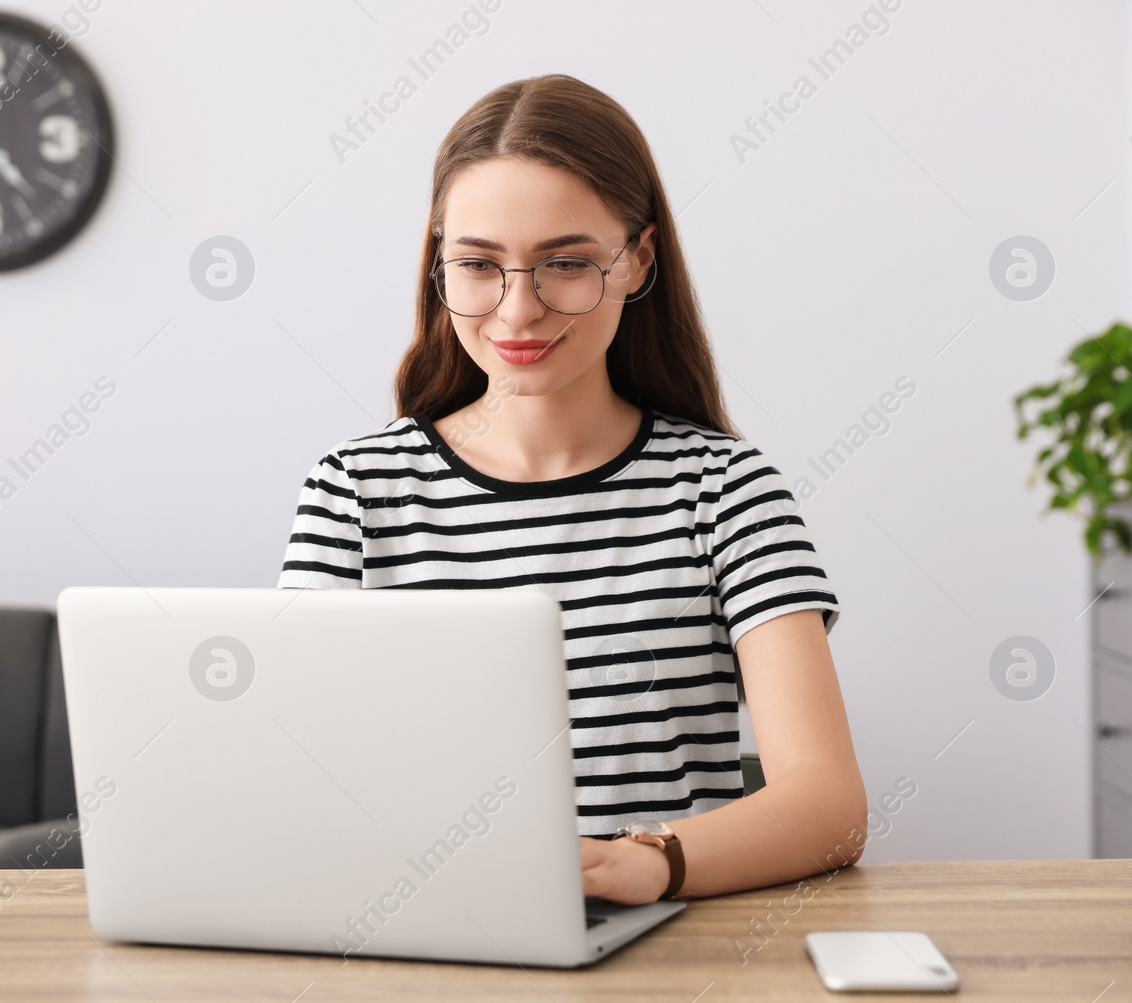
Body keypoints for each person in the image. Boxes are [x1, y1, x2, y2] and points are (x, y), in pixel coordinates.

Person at [277, 74, 867, 903]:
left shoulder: (725, 491)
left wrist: (650, 859)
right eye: (479, 265)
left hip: (662, 949)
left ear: (638, 261)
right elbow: (301, 781)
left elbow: (829, 806)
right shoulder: (355, 491)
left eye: (566, 263)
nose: (518, 310)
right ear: (438, 263)